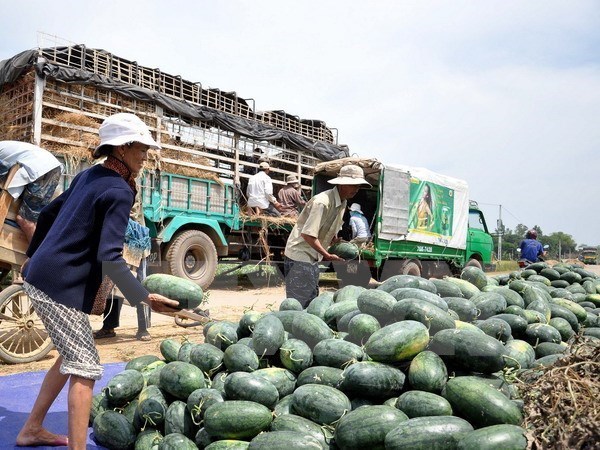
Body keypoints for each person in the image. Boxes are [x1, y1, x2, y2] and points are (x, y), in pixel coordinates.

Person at [16, 113, 179, 449]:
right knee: (87, 368)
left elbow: (47, 214)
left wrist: (32, 256)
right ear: (122, 147)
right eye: (141, 147)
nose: (146, 154)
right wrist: (145, 297)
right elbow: (110, 258)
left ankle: (31, 429)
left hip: (45, 275)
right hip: (55, 285)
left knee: (69, 357)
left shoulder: (90, 175)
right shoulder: (119, 191)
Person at [284, 164, 371, 307]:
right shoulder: (322, 202)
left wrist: (334, 240)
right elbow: (308, 235)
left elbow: (329, 227)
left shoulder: (343, 203)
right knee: (300, 303)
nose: (356, 189)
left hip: (312, 256)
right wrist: (328, 255)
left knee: (312, 300)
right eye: (353, 185)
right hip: (299, 255)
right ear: (342, 184)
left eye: (358, 186)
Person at [0, 141, 63, 242]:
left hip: (40, 168)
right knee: (33, 221)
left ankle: (36, 255)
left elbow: (4, 169)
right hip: (47, 165)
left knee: (26, 221)